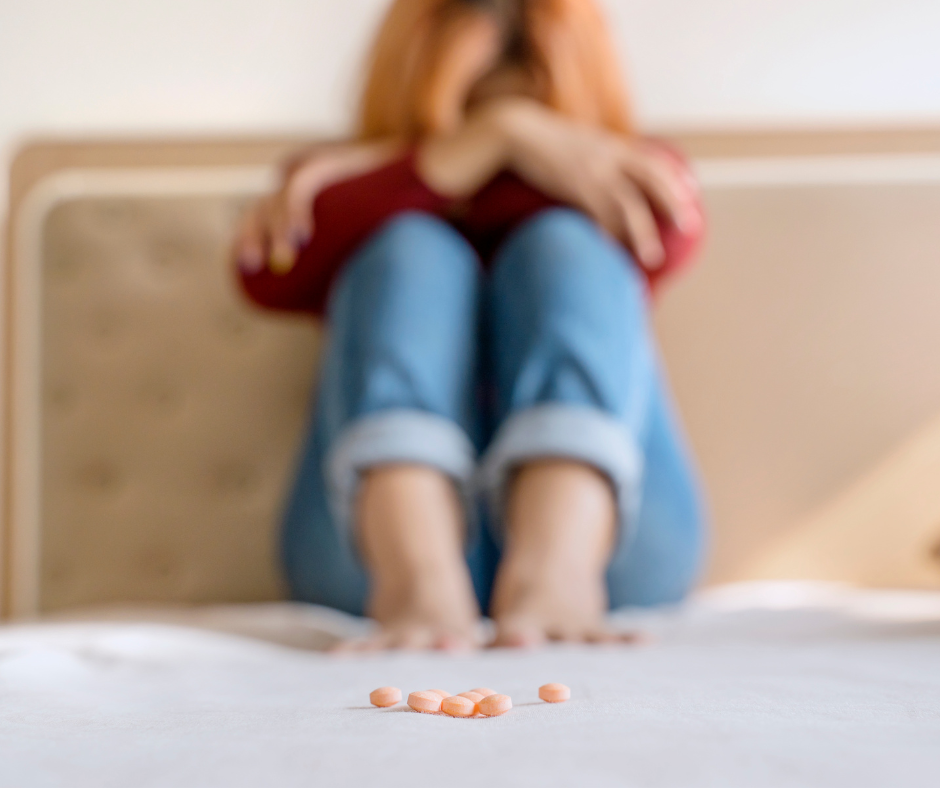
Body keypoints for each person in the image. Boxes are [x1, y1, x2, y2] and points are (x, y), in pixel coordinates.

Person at [234, 0, 707, 650]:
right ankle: (415, 573)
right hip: (366, 562)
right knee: (410, 250)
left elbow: (669, 231)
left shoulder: (630, 171)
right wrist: (495, 139)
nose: (499, 136)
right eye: (466, 114)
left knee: (566, 244)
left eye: (534, 114)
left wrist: (475, 148)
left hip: (616, 552)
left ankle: (558, 567)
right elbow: (265, 271)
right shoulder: (330, 185)